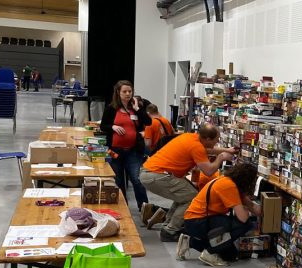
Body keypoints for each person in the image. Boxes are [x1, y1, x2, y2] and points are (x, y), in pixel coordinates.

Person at [140, 124, 235, 242]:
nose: (218, 141)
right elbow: (209, 171)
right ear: (208, 139)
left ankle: (168, 227)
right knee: (192, 197)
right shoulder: (196, 147)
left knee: (184, 195)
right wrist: (220, 158)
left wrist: (226, 150)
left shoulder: (191, 137)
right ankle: (170, 231)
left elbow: (208, 149)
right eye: (217, 139)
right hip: (157, 175)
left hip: (152, 172)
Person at [179, 163, 258, 266]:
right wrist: (246, 210)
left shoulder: (228, 181)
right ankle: (209, 253)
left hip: (198, 219)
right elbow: (243, 218)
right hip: (197, 221)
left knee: (230, 256)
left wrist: (269, 210)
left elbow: (252, 205)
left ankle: (189, 242)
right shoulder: (229, 186)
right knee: (246, 224)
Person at [100, 80, 152, 212]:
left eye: (130, 91)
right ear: (118, 92)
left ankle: (145, 208)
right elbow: (103, 126)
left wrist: (137, 109)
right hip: (115, 150)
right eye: (124, 91)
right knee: (118, 181)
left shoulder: (136, 108)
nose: (128, 94)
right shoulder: (111, 108)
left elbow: (148, 121)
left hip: (133, 151)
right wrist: (113, 126)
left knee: (137, 179)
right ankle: (123, 208)